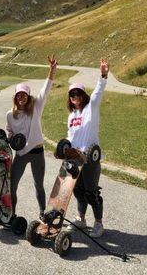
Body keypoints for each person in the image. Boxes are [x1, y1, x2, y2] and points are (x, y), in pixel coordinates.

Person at [6, 55, 57, 224]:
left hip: (37, 152)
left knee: (39, 185)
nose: (22, 98)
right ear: (15, 97)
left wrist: (51, 70)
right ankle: (12, 214)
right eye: (19, 95)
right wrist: (9, 136)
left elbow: (46, 89)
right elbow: (10, 132)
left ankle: (43, 213)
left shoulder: (36, 108)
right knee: (12, 185)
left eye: (25, 95)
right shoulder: (10, 115)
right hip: (21, 154)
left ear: (28, 97)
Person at [66, 58, 109, 238]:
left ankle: (98, 223)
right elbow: (70, 136)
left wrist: (103, 75)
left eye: (78, 93)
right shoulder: (72, 115)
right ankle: (81, 219)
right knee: (78, 190)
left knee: (91, 191)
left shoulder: (91, 107)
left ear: (83, 95)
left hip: (90, 156)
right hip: (76, 157)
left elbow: (98, 92)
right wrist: (65, 148)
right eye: (72, 94)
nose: (75, 96)